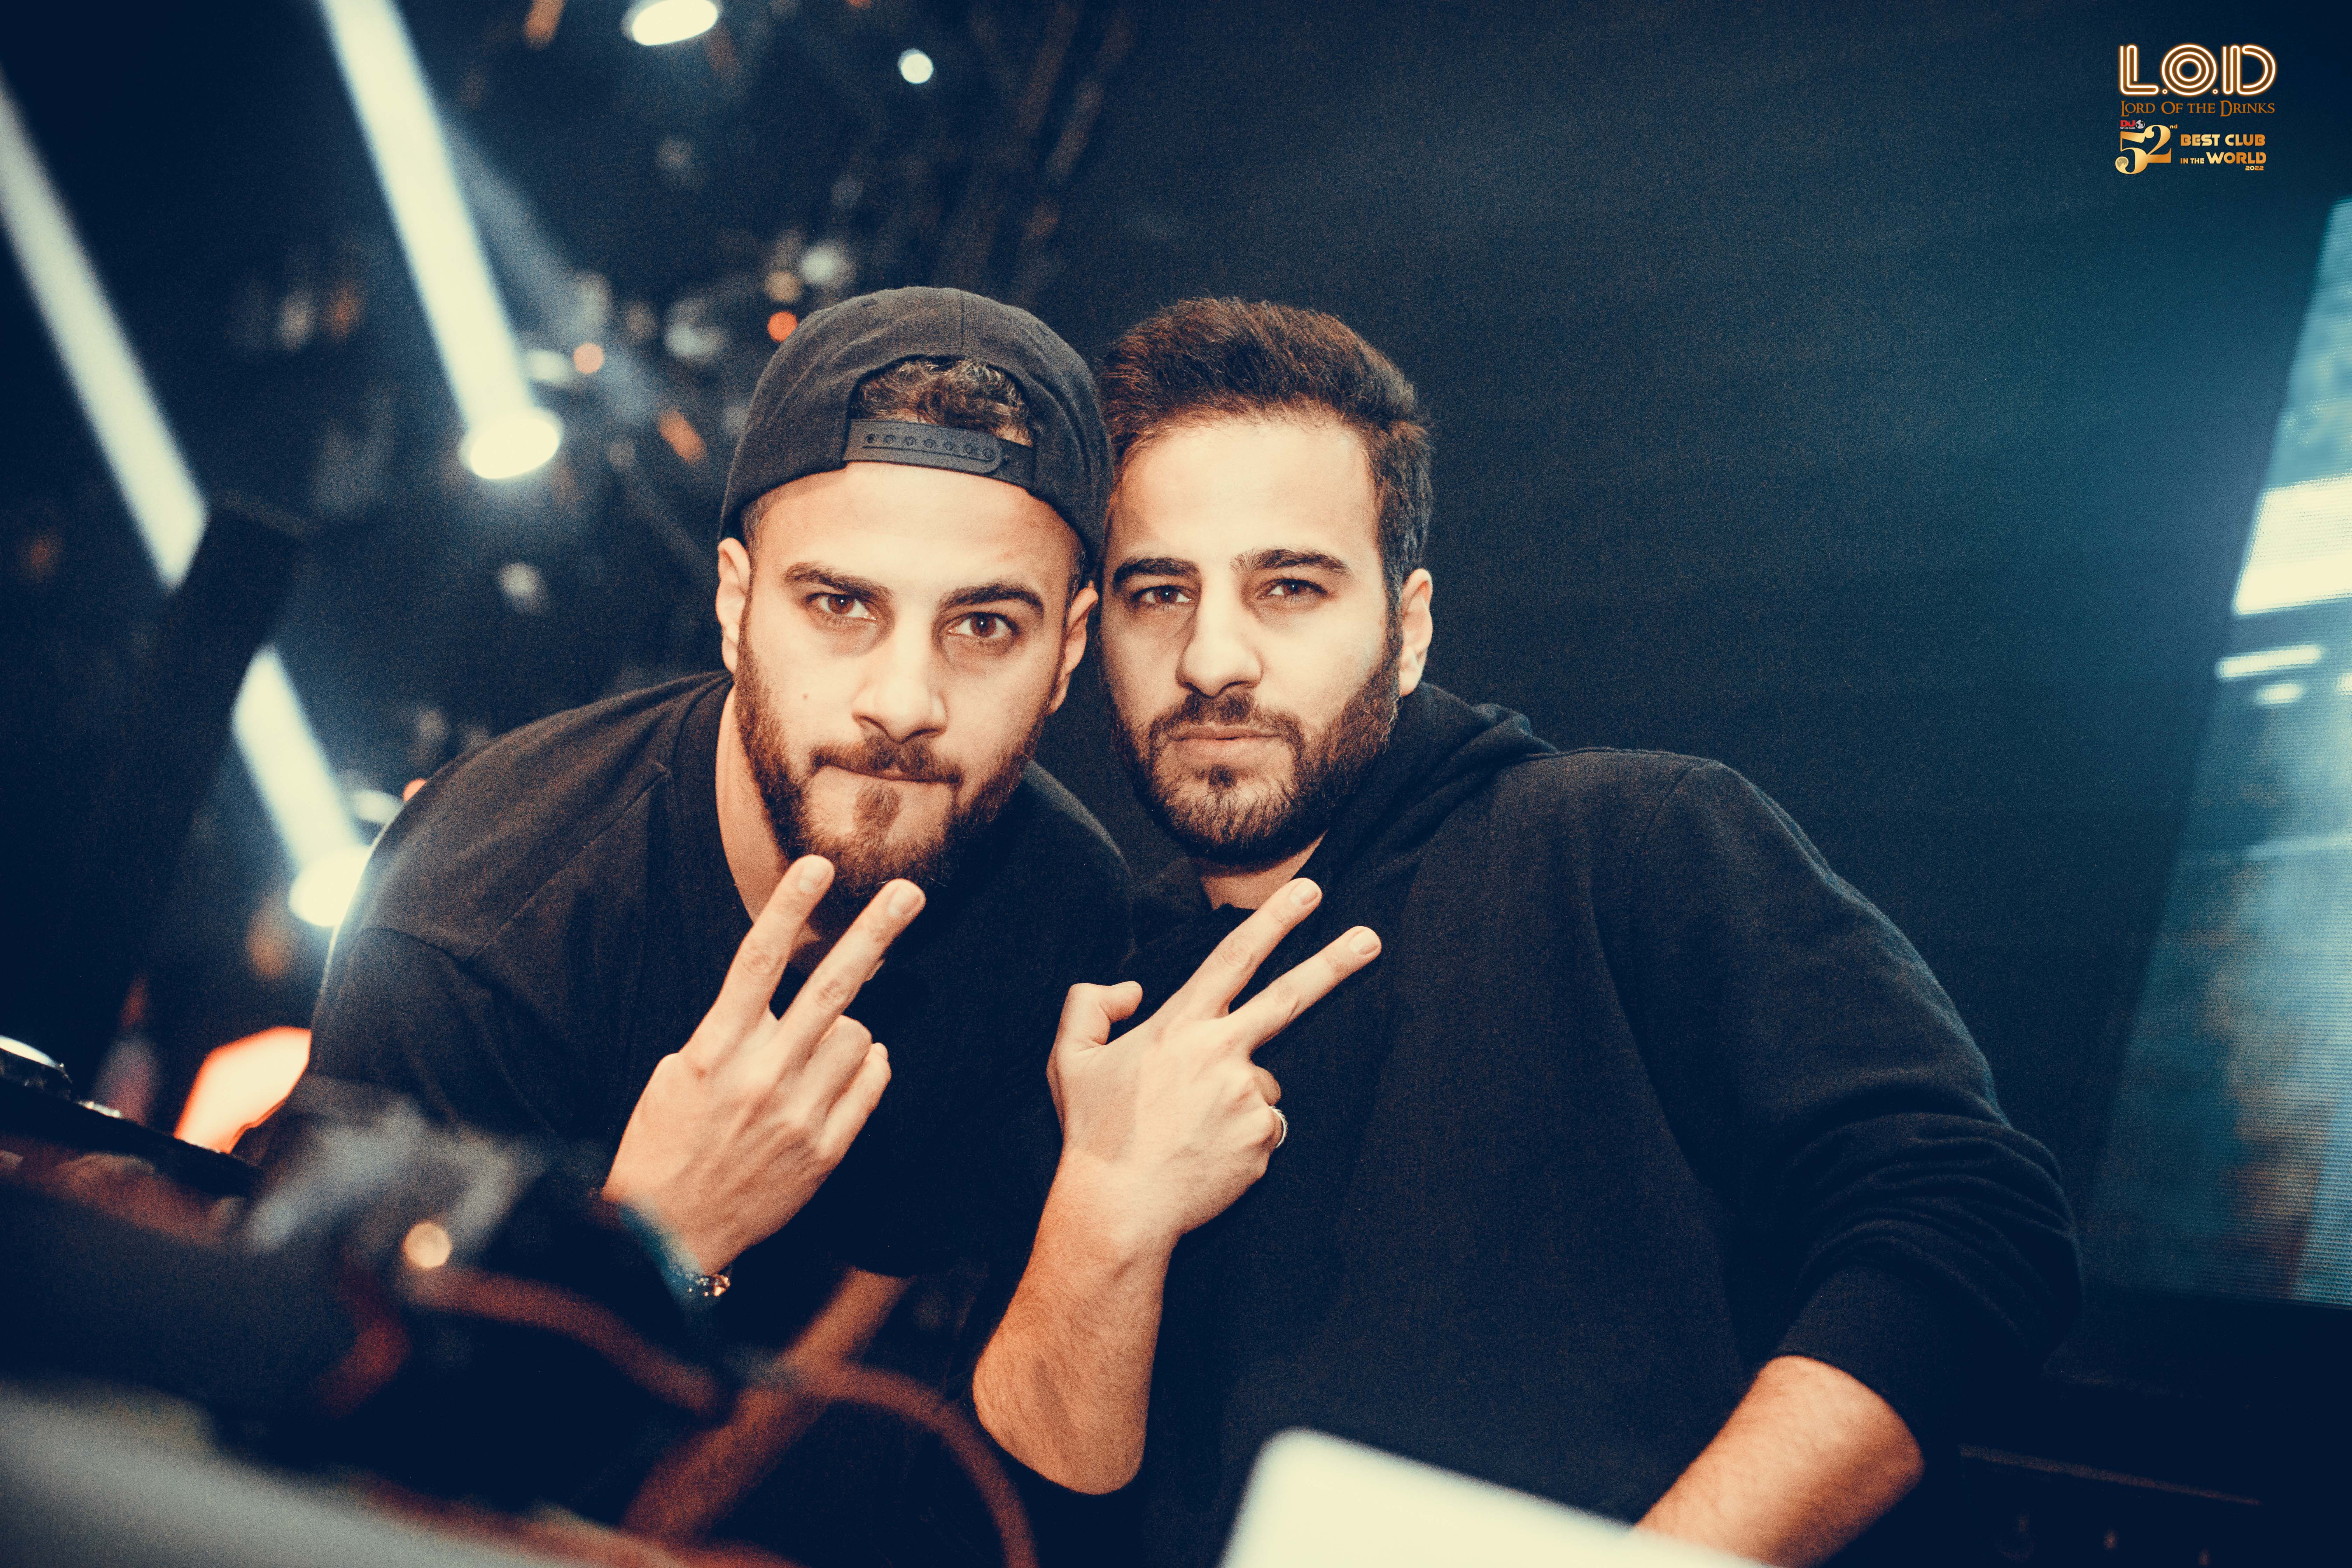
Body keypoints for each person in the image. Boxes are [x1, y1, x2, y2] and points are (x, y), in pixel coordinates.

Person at [971, 299, 2081, 1567]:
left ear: (1409, 630)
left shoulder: (1626, 845)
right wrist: (1103, 1220)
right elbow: (1042, 1516)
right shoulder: (1102, 989)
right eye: (1159, 591)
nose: (1213, 657)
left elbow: (1969, 1223)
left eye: (1290, 587)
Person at [300, 287, 1136, 1490]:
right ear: (737, 605)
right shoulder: (473, 932)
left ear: (1068, 652)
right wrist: (660, 1237)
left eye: (986, 626)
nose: (905, 702)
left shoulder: (1059, 906)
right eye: (840, 605)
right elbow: (345, 1451)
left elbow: (887, 1272)